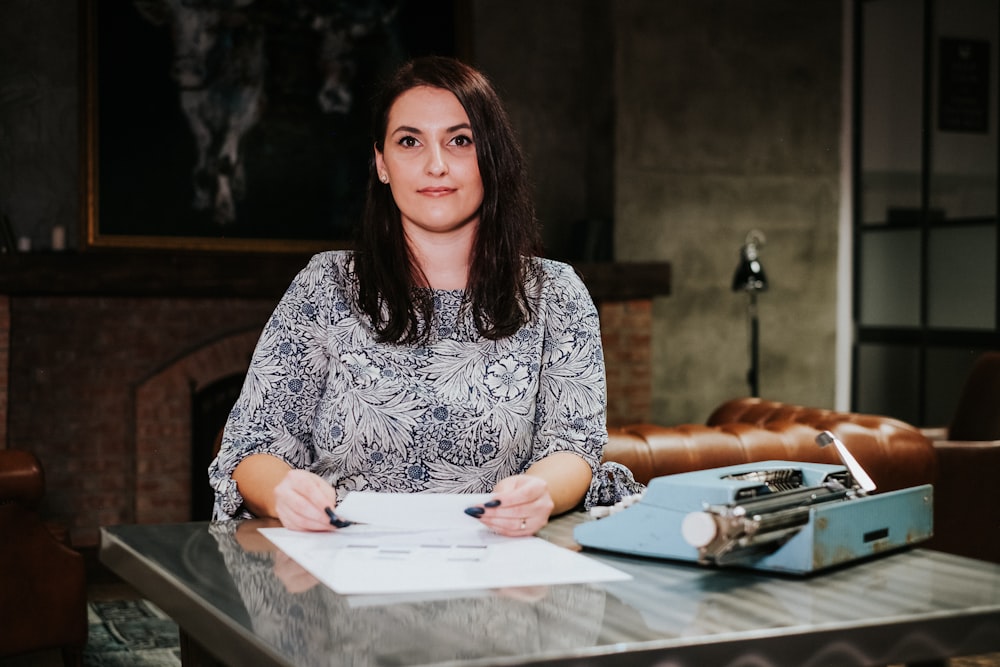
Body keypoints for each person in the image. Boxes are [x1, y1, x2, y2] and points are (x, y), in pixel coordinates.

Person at [208, 55, 639, 535]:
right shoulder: (324, 285)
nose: (436, 165)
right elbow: (255, 445)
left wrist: (540, 492)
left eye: (460, 141)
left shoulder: (555, 293)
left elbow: (571, 448)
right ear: (382, 163)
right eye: (409, 141)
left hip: (497, 570)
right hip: (338, 568)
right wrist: (282, 492)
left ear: (491, 157)